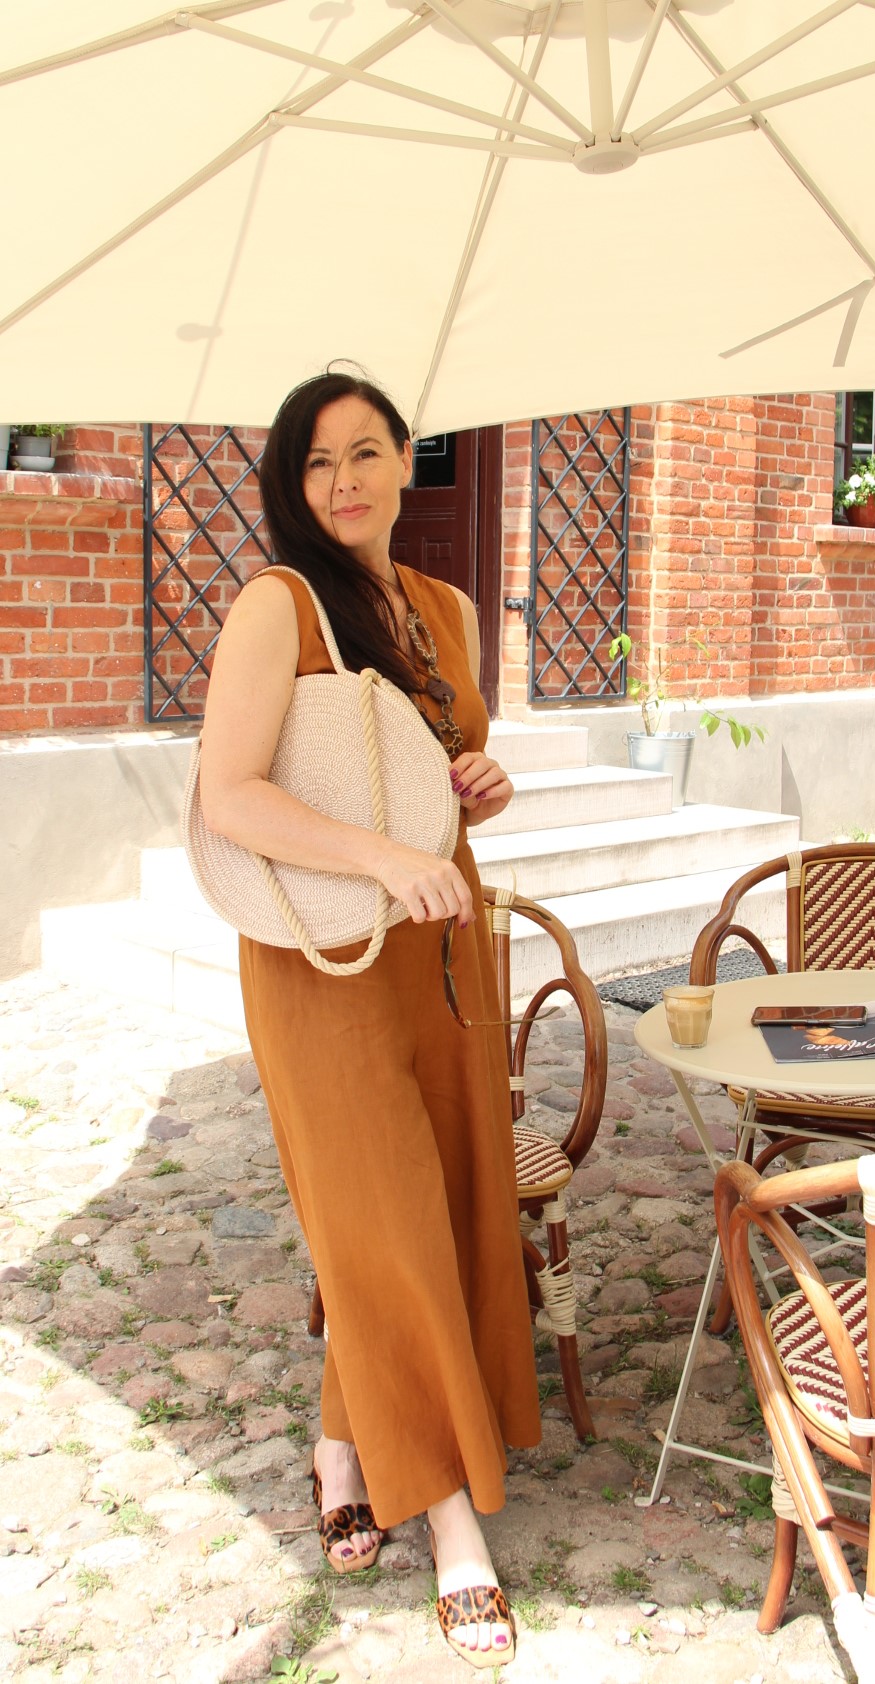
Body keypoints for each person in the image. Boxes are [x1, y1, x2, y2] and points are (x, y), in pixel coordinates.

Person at [197, 369, 541, 1669]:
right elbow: (232, 792)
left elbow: (430, 780)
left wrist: (479, 788)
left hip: (440, 947)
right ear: (293, 484)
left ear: (407, 459)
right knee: (379, 1213)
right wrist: (380, 857)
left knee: (428, 1207)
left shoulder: (448, 610)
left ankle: (340, 1445)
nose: (342, 481)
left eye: (364, 452)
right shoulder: (277, 604)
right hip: (325, 959)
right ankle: (451, 1527)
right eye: (315, 461)